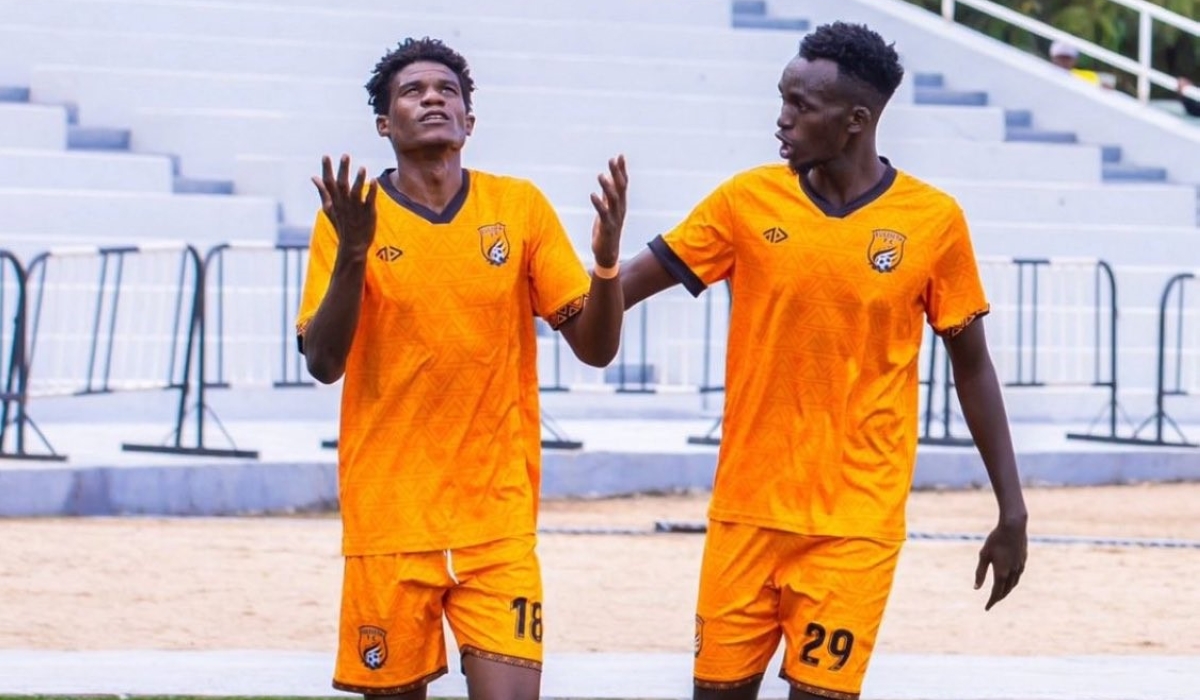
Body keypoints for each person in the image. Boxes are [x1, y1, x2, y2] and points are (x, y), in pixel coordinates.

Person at [618, 22, 1028, 700]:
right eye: (782, 98)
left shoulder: (933, 220)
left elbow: (973, 366)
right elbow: (615, 291)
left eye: (800, 105)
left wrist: (1012, 510)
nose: (781, 119)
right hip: (746, 515)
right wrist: (585, 273)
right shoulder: (745, 201)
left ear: (855, 121)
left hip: (855, 524)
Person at [295, 37, 627, 700]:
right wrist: (355, 252)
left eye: (447, 90)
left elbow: (595, 348)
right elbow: (324, 363)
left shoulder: (519, 207)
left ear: (469, 122)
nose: (433, 99)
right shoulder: (348, 220)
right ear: (385, 124)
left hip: (495, 521)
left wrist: (607, 263)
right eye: (413, 91)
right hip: (391, 519)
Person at [1048, 39, 1113, 88]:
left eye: (1068, 58)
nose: (1063, 61)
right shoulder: (1042, 72)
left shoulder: (1087, 76)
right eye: (1061, 57)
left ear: (1075, 60)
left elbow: (1104, 84)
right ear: (1053, 57)